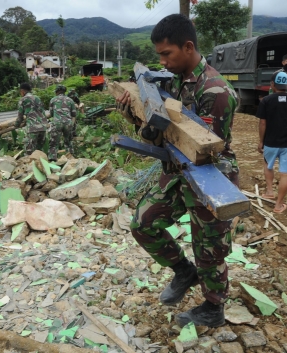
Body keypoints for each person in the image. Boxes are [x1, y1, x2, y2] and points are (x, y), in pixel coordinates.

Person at [116, 14, 238, 328]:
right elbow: (158, 121)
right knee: (143, 223)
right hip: (177, 170)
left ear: (187, 47)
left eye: (166, 54)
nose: (162, 61)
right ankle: (184, 271)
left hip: (209, 175)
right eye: (159, 55)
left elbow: (201, 149)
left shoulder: (216, 92)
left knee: (209, 248)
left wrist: (150, 131)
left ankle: (213, 308)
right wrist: (134, 112)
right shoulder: (171, 80)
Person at [258, 72, 287, 214]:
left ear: (272, 84)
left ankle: (269, 191)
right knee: (285, 174)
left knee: (268, 165)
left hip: (271, 142)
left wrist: (261, 141)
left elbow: (262, 122)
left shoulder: (266, 101)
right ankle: (278, 206)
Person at [14, 82, 49, 155]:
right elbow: (43, 111)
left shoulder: (23, 100)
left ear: (22, 91)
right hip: (43, 127)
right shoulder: (37, 98)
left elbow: (20, 116)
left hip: (33, 128)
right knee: (39, 151)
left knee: (29, 152)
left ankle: (29, 165)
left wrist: (16, 125)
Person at [48, 85, 77, 161]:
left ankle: (52, 159)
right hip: (68, 123)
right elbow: (74, 114)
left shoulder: (53, 100)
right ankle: (70, 158)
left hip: (57, 123)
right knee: (68, 142)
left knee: (54, 143)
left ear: (57, 92)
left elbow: (51, 113)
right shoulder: (70, 100)